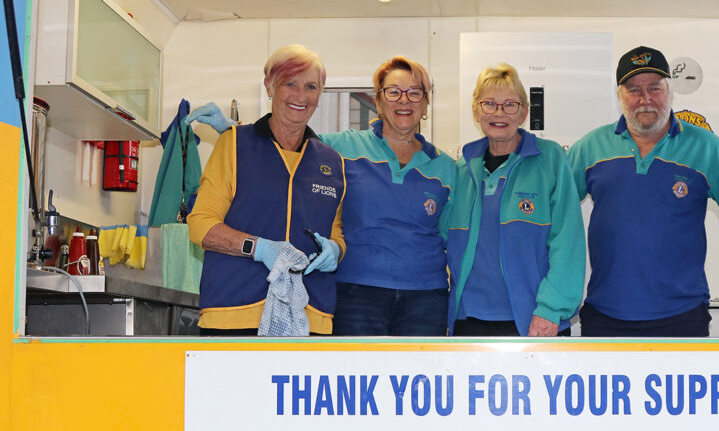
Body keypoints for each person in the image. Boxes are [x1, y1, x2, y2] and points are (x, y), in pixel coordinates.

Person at [188, 56, 456, 336]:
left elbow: (451, 239)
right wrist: (235, 129)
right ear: (378, 101)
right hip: (356, 294)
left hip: (425, 298)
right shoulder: (339, 148)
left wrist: (335, 249)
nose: (404, 100)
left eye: (415, 93)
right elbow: (286, 137)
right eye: (393, 91)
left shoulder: (447, 167)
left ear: (426, 104)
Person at [567, 46, 719, 337]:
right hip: (605, 315)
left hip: (682, 317)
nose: (645, 99)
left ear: (670, 91)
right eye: (634, 89)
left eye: (655, 88)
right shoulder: (590, 147)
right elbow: (552, 214)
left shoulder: (705, 146)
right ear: (620, 96)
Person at [187, 44, 344, 336]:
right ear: (269, 87)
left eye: (311, 86)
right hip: (236, 312)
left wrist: (337, 250)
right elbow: (200, 226)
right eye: (290, 84)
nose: (300, 95)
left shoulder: (331, 161)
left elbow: (337, 234)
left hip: (310, 317)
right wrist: (258, 248)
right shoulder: (234, 144)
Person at [446, 63, 585, 337]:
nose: (499, 113)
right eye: (489, 104)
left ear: (523, 112)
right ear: (476, 111)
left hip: (535, 321)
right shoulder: (460, 171)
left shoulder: (551, 159)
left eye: (510, 104)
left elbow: (567, 242)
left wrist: (550, 309)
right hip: (467, 320)